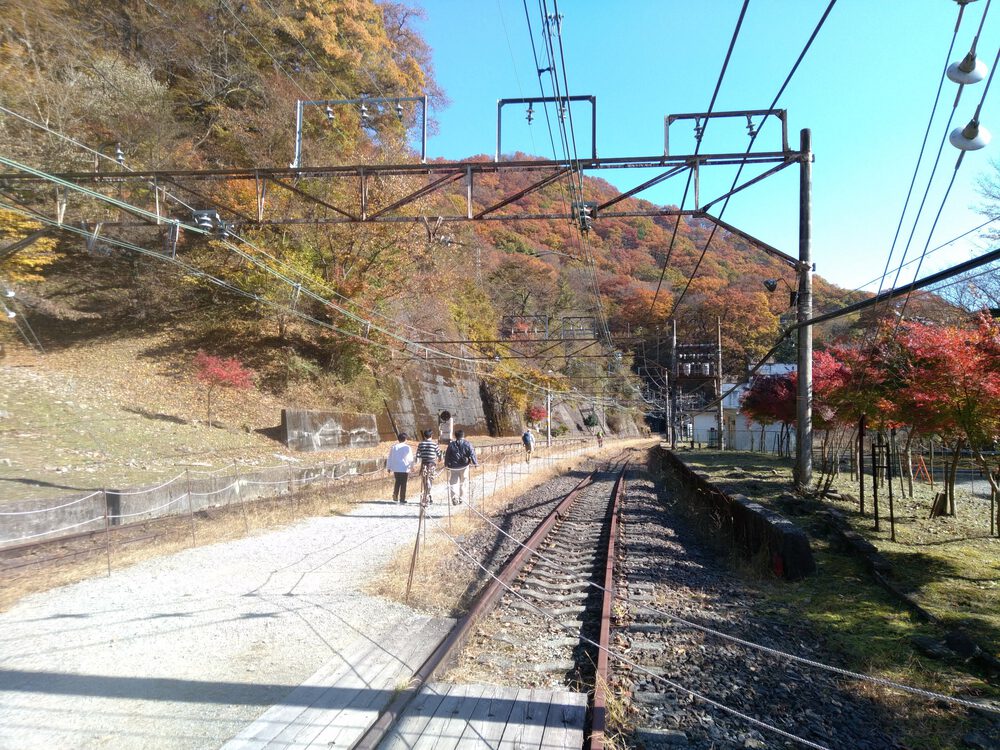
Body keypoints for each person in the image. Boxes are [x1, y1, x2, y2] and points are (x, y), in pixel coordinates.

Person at [444, 429, 478, 505]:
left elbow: (447, 455)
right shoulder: (468, 444)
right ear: (463, 435)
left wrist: (446, 465)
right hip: (464, 466)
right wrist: (475, 463)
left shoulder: (451, 444)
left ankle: (454, 498)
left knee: (453, 482)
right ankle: (461, 498)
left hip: (453, 467)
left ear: (455, 436)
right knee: (463, 483)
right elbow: (472, 454)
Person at [385, 433, 414, 504]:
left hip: (396, 468)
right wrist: (412, 466)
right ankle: (402, 498)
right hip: (404, 468)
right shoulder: (407, 447)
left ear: (398, 439)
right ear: (405, 439)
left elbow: (390, 458)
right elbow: (410, 458)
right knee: (403, 483)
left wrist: (388, 467)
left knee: (397, 482)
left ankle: (395, 495)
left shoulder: (394, 447)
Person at [415, 429, 441, 506]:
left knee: (425, 480)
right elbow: (439, 454)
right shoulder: (434, 444)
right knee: (430, 479)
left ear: (424, 436)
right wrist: (439, 458)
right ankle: (427, 496)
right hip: (432, 464)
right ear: (431, 436)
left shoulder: (421, 444)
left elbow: (418, 455)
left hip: (424, 464)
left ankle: (426, 495)